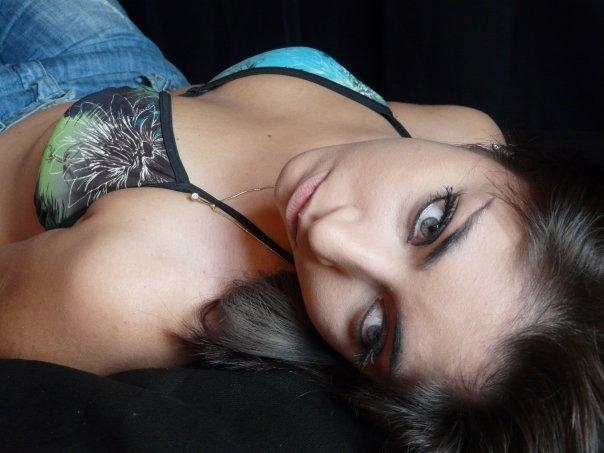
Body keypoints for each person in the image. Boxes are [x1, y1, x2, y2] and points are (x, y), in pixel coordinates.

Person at [0, 1, 601, 451]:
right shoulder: (468, 131)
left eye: (374, 329)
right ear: (507, 163)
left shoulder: (129, 294)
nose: (328, 235)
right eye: (431, 222)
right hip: (112, 49)